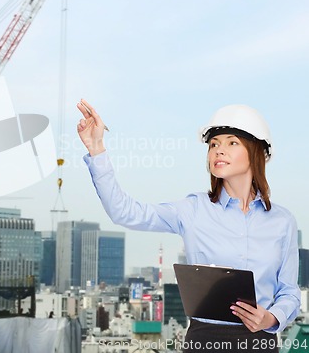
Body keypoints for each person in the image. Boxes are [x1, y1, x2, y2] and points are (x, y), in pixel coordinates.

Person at [76, 99, 300, 353]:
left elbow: (290, 292)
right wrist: (96, 148)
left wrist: (271, 318)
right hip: (204, 340)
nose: (219, 150)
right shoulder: (193, 210)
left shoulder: (282, 221)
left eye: (231, 142)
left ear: (257, 151)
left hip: (260, 342)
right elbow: (124, 212)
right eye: (214, 144)